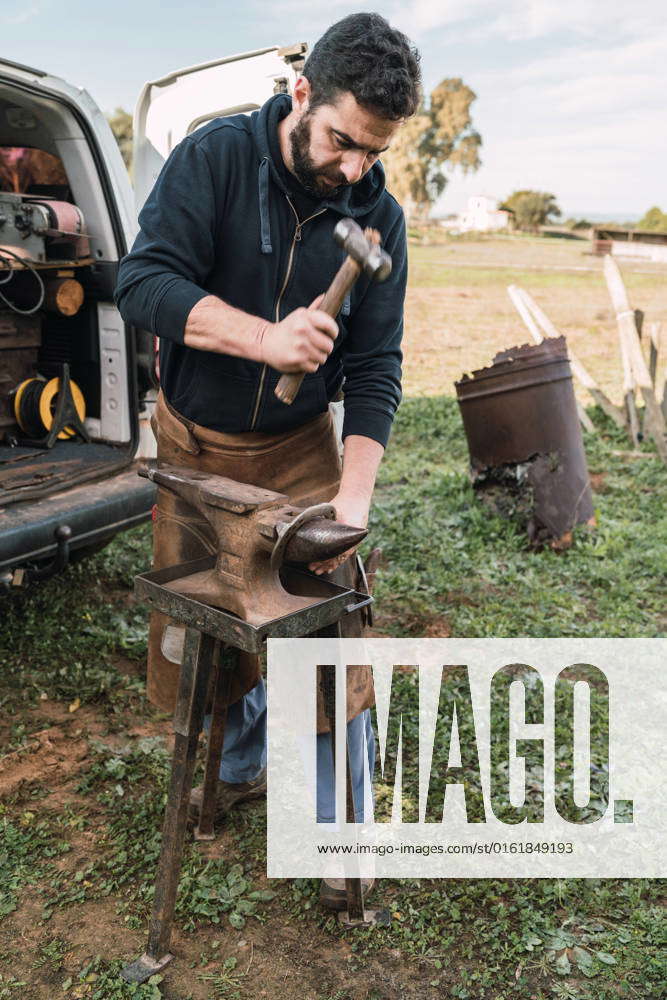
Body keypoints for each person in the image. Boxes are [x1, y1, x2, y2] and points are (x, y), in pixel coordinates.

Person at [114, 11, 421, 910]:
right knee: (201, 637)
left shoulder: (379, 219)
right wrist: (264, 340)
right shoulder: (212, 160)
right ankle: (238, 766)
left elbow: (374, 368)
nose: (355, 168)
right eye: (341, 141)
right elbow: (141, 283)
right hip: (194, 450)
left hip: (296, 457)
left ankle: (337, 843)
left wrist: (352, 499)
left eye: (374, 151)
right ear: (299, 96)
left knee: (330, 638)